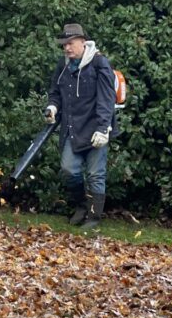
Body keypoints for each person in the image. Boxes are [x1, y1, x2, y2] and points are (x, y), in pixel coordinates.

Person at [44, 23, 118, 229]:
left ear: (83, 42)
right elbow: (55, 92)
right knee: (69, 170)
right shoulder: (63, 65)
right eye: (64, 44)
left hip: (96, 128)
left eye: (71, 43)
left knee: (95, 174)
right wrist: (52, 107)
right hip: (72, 128)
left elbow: (107, 99)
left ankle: (94, 218)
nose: (67, 48)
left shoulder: (99, 63)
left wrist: (103, 128)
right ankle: (81, 206)